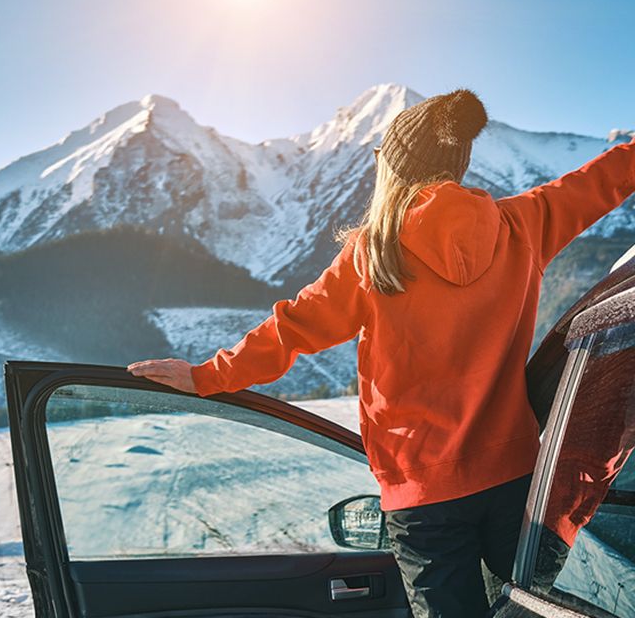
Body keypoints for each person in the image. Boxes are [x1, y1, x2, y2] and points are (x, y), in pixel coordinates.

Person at [127, 89, 635, 618]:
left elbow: (290, 330)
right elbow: (605, 178)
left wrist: (206, 376)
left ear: (393, 167)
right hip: (516, 481)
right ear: (456, 164)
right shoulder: (522, 224)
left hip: (424, 500)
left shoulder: (373, 257)